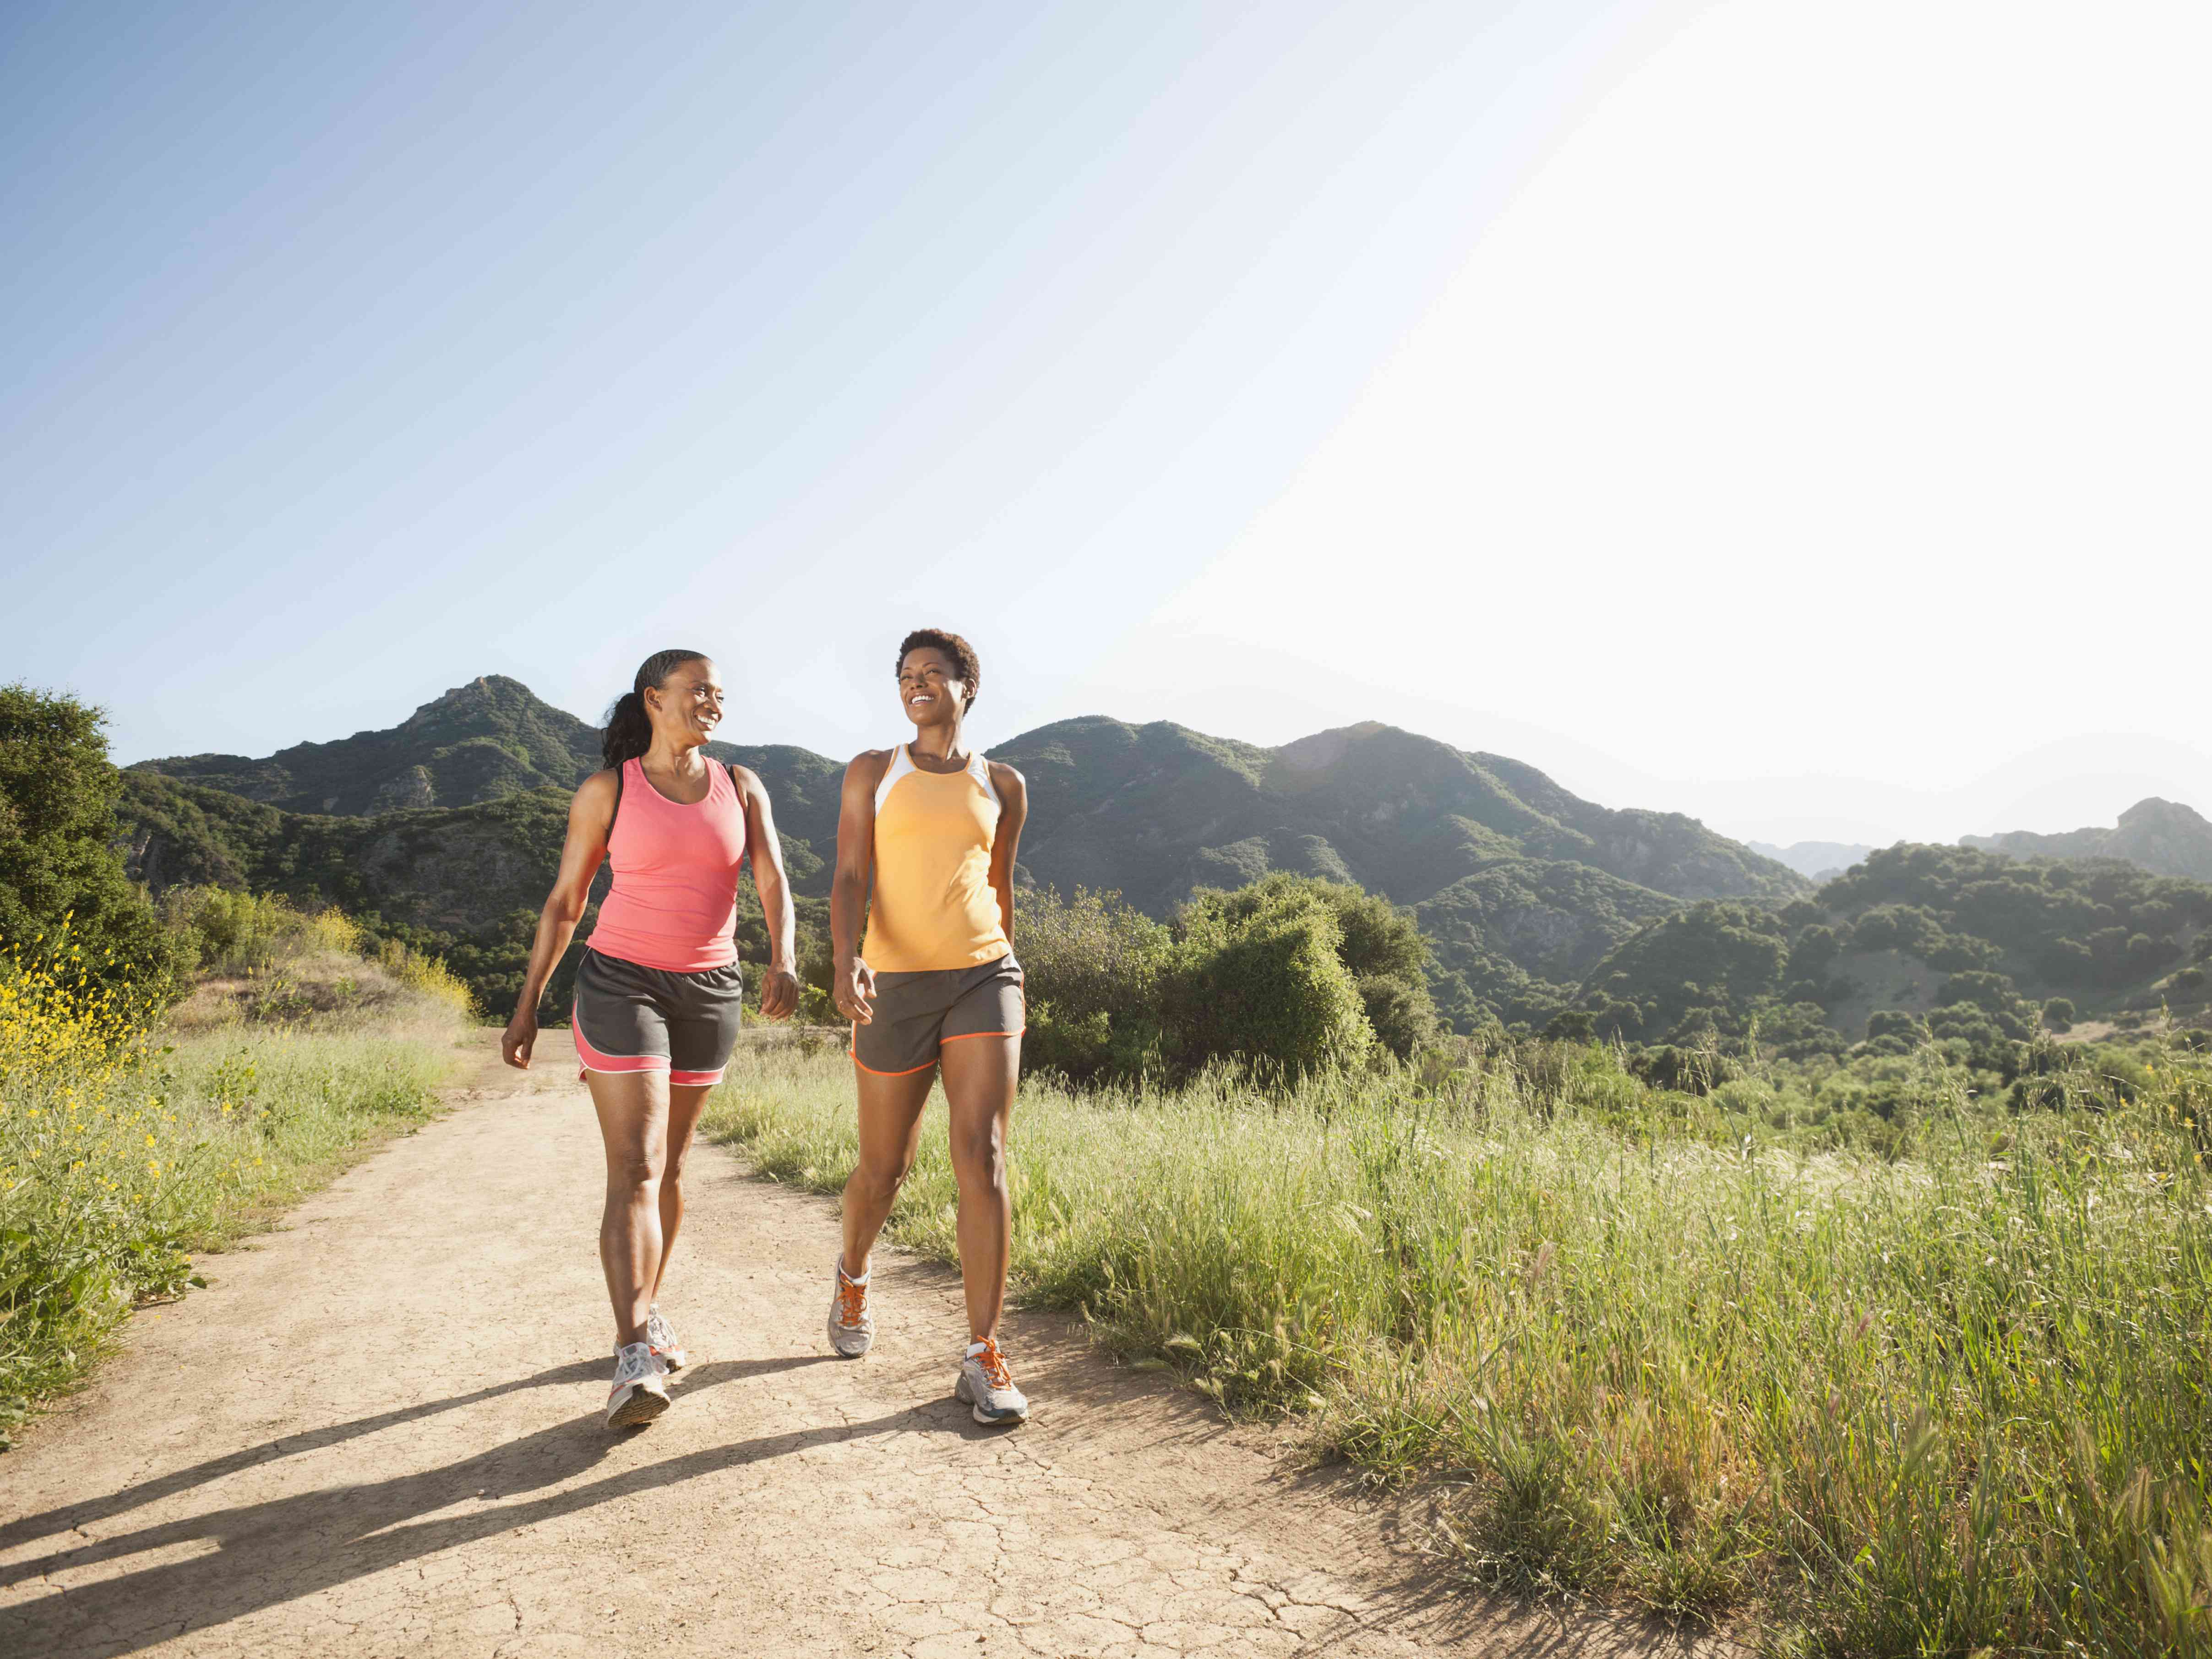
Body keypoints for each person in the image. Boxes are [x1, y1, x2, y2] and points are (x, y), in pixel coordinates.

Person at [501, 649, 799, 1429]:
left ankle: (647, 1307)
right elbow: (567, 900)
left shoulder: (741, 785)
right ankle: (634, 1350)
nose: (713, 702)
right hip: (620, 980)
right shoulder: (609, 790)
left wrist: (786, 957)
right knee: (634, 1163)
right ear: (654, 698)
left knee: (670, 1166)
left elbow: (771, 877)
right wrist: (528, 1001)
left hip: (710, 987)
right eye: (699, 689)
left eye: (720, 693)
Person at [827, 628, 1031, 1425]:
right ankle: (852, 1271)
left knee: (981, 1153)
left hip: (985, 974)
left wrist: (1011, 969)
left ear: (965, 687)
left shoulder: (1003, 783)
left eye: (932, 674)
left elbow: (1002, 887)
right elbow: (848, 875)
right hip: (893, 982)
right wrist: (845, 959)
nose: (916, 684)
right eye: (906, 675)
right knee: (883, 1168)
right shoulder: (872, 773)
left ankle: (982, 1352)